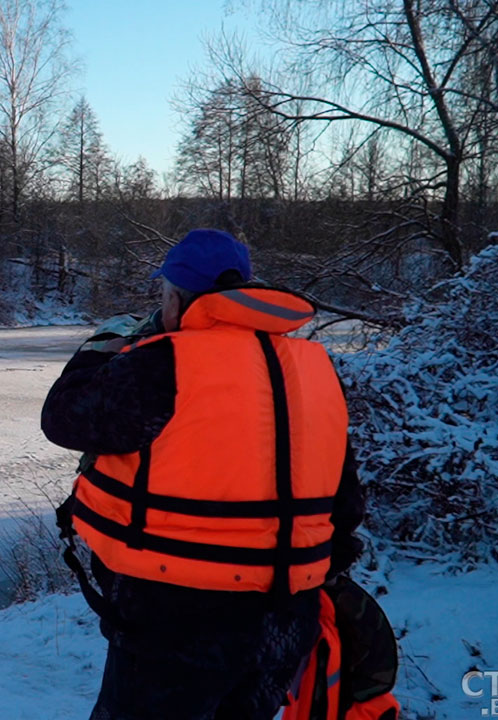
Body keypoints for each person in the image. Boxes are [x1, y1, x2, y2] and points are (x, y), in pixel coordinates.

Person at [40, 228, 366, 720]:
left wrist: (98, 349)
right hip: (284, 617)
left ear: (177, 296)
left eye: (165, 294)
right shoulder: (315, 368)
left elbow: (62, 417)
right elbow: (345, 502)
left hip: (175, 615)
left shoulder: (162, 364)